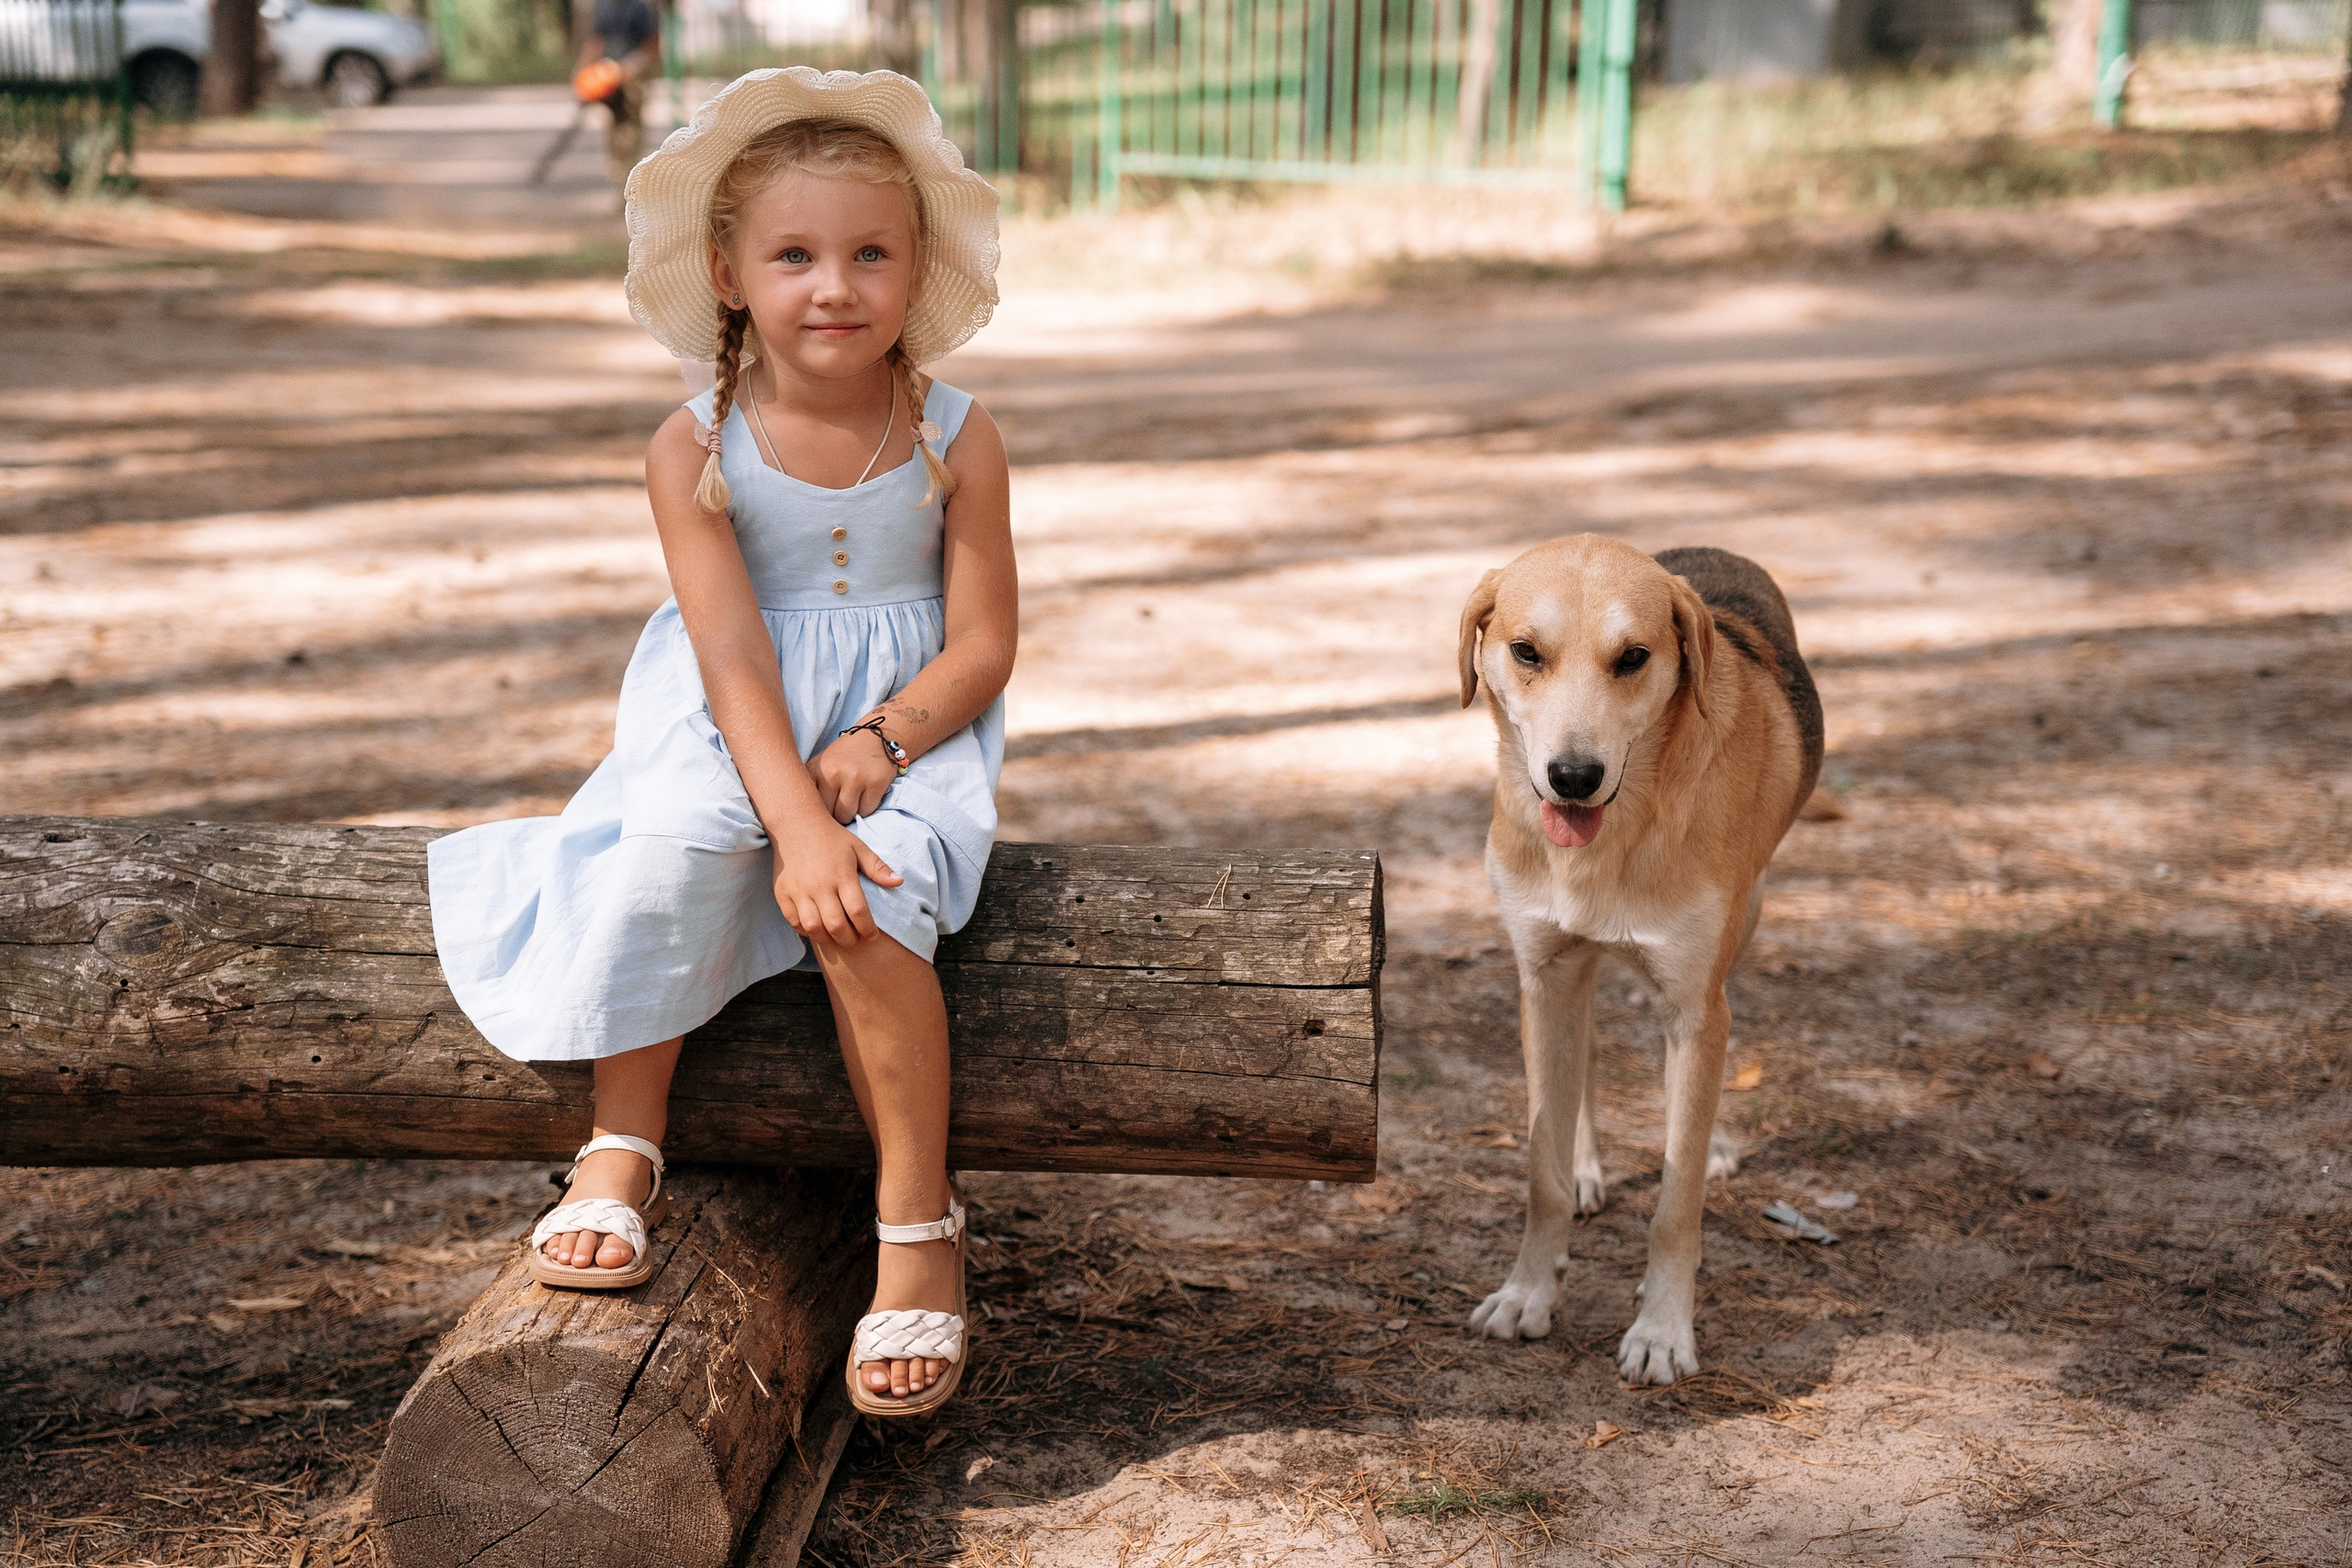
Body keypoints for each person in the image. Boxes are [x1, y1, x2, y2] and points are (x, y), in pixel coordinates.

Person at [426, 67, 1013, 1418]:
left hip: (908, 727)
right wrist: (791, 822)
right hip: (724, 710)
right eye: (794, 255)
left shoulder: (958, 435)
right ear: (727, 273)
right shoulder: (692, 443)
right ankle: (621, 1140)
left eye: (871, 254)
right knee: (678, 845)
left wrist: (883, 741)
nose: (835, 287)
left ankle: (917, 1221)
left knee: (872, 902)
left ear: (916, 267)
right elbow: (732, 657)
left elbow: (983, 645)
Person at [579, 0, 661, 197]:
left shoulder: (640, 7)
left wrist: (631, 67)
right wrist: (584, 72)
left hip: (633, 78)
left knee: (630, 131)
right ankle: (620, 180)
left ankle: (630, 183)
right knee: (614, 128)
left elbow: (652, 44)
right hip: (607, 77)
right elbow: (596, 40)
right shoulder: (603, 6)